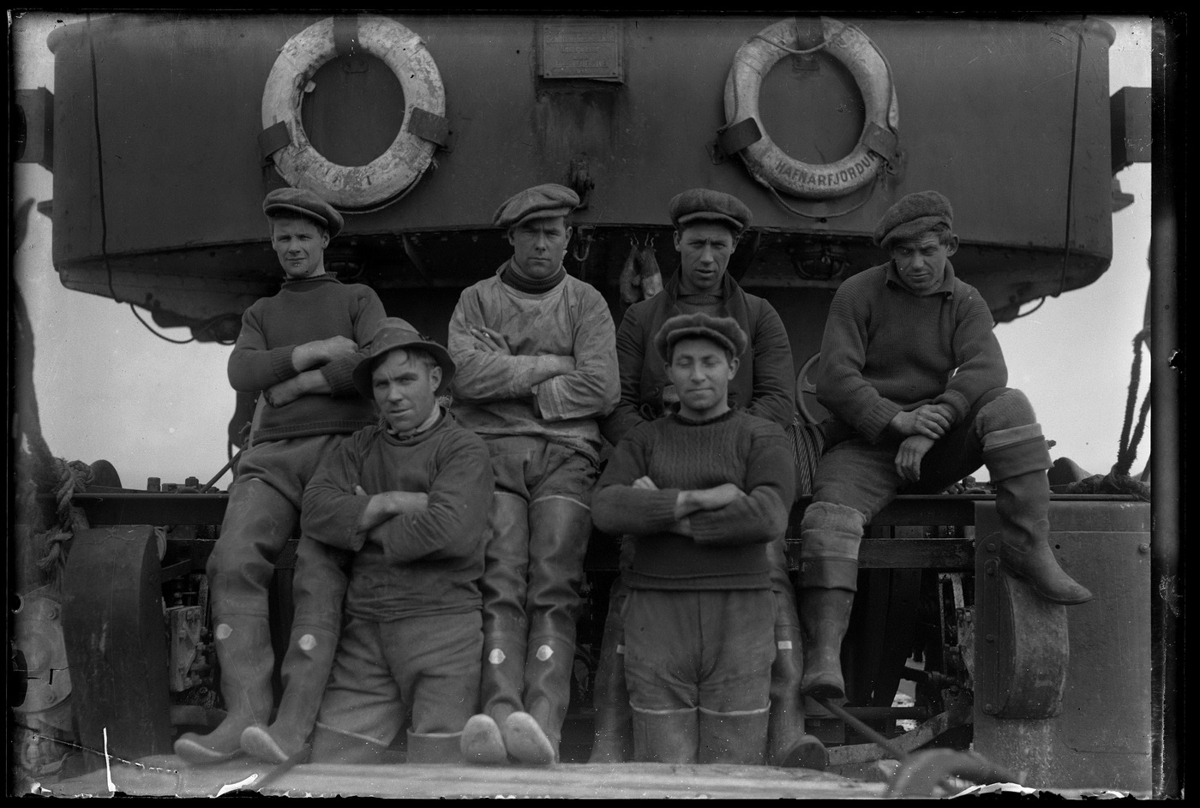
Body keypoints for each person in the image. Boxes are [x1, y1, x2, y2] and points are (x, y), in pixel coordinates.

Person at [797, 190, 1094, 702]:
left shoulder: (967, 301)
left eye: (927, 251)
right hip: (865, 447)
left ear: (949, 246)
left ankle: (1029, 546)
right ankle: (825, 656)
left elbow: (987, 368)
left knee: (1009, 404)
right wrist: (897, 421)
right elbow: (834, 379)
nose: (916, 263)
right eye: (904, 252)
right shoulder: (856, 293)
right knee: (828, 521)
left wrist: (931, 424)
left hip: (934, 445)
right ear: (891, 253)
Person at [591, 189, 825, 769]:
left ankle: (788, 729)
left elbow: (777, 401)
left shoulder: (761, 316)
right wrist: (659, 453)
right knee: (630, 584)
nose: (706, 257)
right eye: (696, 243)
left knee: (770, 575)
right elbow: (617, 404)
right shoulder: (640, 317)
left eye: (719, 245)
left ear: (733, 247)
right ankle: (608, 738)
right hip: (659, 465)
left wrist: (735, 451)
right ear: (676, 242)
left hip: (739, 468)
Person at [175, 188, 387, 765]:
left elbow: (374, 362)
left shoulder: (358, 298)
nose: (293, 247)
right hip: (269, 457)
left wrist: (295, 385)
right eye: (283, 238)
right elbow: (242, 371)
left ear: (324, 240)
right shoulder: (261, 313)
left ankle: (292, 725)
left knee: (319, 572)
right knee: (231, 561)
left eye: (303, 237)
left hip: (341, 452)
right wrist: (318, 351)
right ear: (273, 243)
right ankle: (244, 714)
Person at [447, 184, 619, 765]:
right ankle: (499, 719)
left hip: (568, 456)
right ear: (512, 237)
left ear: (568, 238)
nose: (542, 243)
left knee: (554, 582)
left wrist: (509, 377)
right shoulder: (476, 300)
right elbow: (465, 378)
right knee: (499, 580)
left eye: (552, 232)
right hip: (493, 455)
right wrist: (556, 364)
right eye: (530, 233)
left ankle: (541, 727)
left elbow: (603, 388)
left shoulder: (587, 302)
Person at [592, 313, 794, 764]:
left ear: (732, 367)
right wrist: (699, 498)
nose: (697, 375)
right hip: (656, 616)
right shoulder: (644, 440)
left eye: (710, 362)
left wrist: (659, 511)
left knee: (734, 771)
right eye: (684, 363)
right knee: (663, 772)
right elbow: (606, 507)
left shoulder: (762, 436)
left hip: (739, 615)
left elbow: (767, 515)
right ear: (669, 371)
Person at [298, 319, 493, 764]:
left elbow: (449, 532)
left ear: (434, 378)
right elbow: (315, 510)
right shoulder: (359, 446)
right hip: (365, 634)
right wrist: (392, 502)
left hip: (443, 631)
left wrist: (362, 523)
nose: (393, 395)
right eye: (382, 384)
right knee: (331, 770)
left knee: (439, 778)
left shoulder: (464, 449)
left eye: (406, 380)